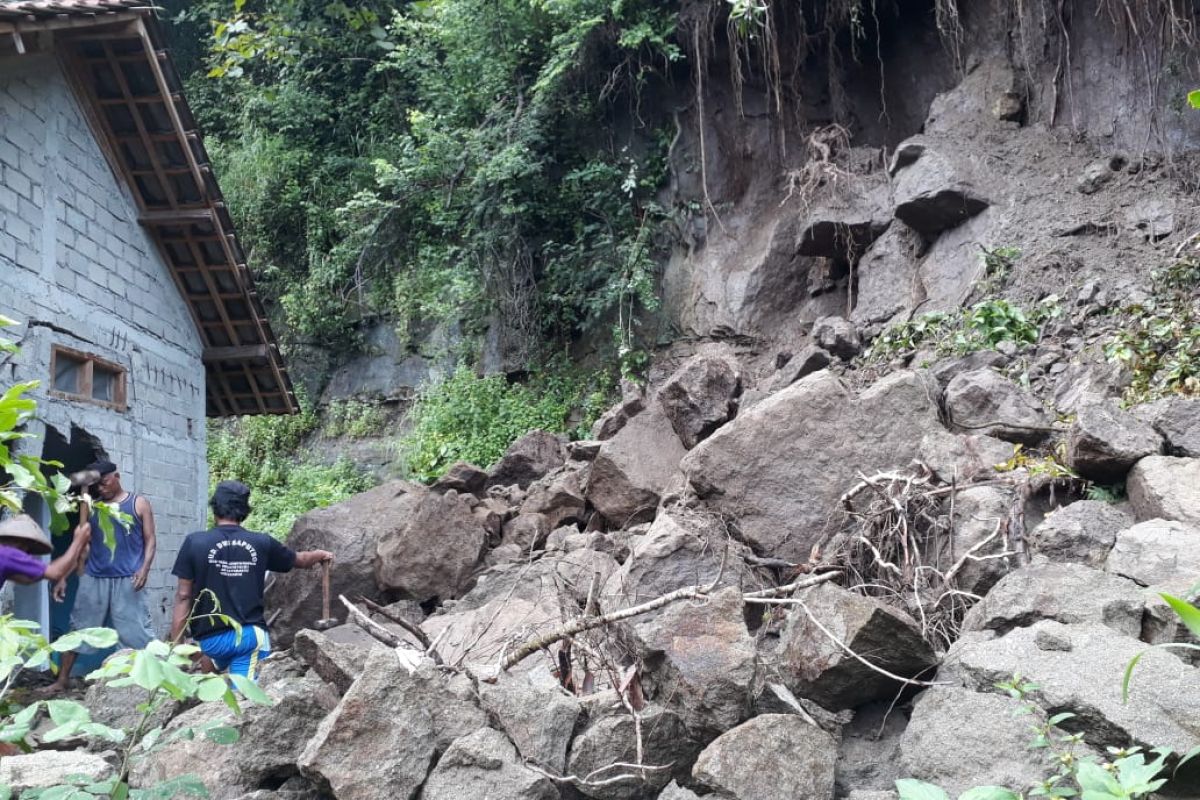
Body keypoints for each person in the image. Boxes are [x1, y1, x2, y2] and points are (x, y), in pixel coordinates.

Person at [169, 480, 333, 682]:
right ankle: (227, 684)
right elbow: (299, 560)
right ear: (244, 511)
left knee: (211, 676)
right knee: (244, 700)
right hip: (248, 637)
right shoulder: (261, 542)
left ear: (215, 507)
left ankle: (209, 663)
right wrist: (319, 554)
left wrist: (176, 643)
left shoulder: (194, 542)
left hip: (209, 640)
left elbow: (183, 596)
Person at [45, 460, 157, 694]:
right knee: (79, 629)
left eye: (104, 483)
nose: (101, 489)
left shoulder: (139, 504)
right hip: (94, 578)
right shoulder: (94, 506)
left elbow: (150, 540)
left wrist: (144, 568)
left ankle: (148, 683)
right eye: (97, 486)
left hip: (128, 579)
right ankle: (63, 679)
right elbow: (82, 545)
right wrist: (64, 576)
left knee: (135, 632)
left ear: (116, 476)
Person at [0, 514, 92, 589]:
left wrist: (76, 554)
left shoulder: (4, 557)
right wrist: (78, 541)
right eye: (27, 549)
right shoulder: (8, 555)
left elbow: (28, 579)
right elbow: (55, 572)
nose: (25, 554)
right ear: (20, 543)